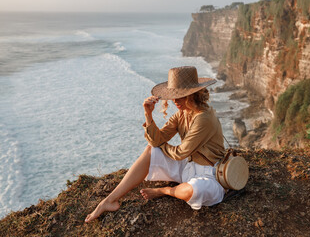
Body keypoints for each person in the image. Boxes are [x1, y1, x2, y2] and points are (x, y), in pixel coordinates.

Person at [85, 66, 226, 223]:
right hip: (187, 167)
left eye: (181, 96)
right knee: (151, 150)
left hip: (210, 175)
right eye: (174, 96)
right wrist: (148, 115)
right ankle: (109, 201)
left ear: (193, 94)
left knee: (194, 190)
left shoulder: (203, 118)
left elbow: (180, 153)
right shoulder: (181, 114)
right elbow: (156, 141)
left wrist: (161, 146)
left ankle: (165, 190)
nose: (175, 101)